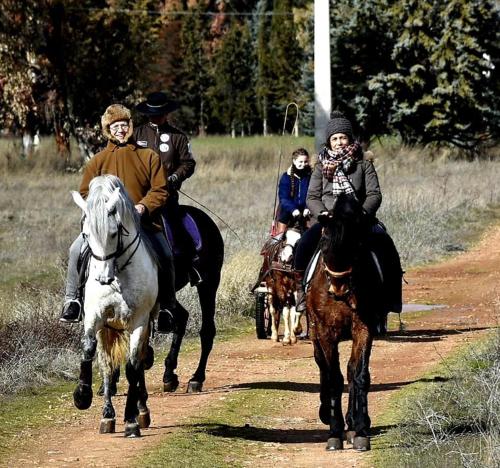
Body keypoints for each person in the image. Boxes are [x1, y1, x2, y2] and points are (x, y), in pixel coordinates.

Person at [59, 104, 177, 334]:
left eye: (124, 124)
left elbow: (160, 189)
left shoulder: (148, 156)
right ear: (108, 130)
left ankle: (167, 309)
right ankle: (72, 301)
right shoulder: (97, 161)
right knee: (75, 251)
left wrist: (144, 205)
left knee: (166, 254)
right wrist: (101, 211)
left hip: (142, 224)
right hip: (104, 227)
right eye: (115, 126)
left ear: (130, 126)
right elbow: (85, 193)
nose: (121, 130)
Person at [293, 111, 403, 320]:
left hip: (359, 220)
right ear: (329, 142)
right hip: (329, 220)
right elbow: (312, 197)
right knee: (304, 244)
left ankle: (391, 296)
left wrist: (362, 213)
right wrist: (323, 214)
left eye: (343, 137)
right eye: (334, 139)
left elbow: (374, 194)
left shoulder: (364, 164)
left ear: (350, 139)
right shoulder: (319, 166)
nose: (339, 142)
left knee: (385, 244)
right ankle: (301, 292)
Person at [133, 92, 201, 286]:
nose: (157, 117)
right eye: (153, 114)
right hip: (139, 196)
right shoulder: (136, 134)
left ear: (166, 113)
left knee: (177, 226)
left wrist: (174, 177)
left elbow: (188, 164)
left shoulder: (178, 136)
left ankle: (191, 265)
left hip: (167, 196)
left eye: (160, 113)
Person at [275, 148, 312, 235]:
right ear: (294, 161)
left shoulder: (310, 177)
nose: (303, 164)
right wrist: (293, 209)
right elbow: (283, 198)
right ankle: (277, 243)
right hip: (288, 211)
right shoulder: (286, 177)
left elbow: (313, 194)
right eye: (300, 162)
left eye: (305, 162)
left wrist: (307, 207)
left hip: (306, 212)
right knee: (279, 237)